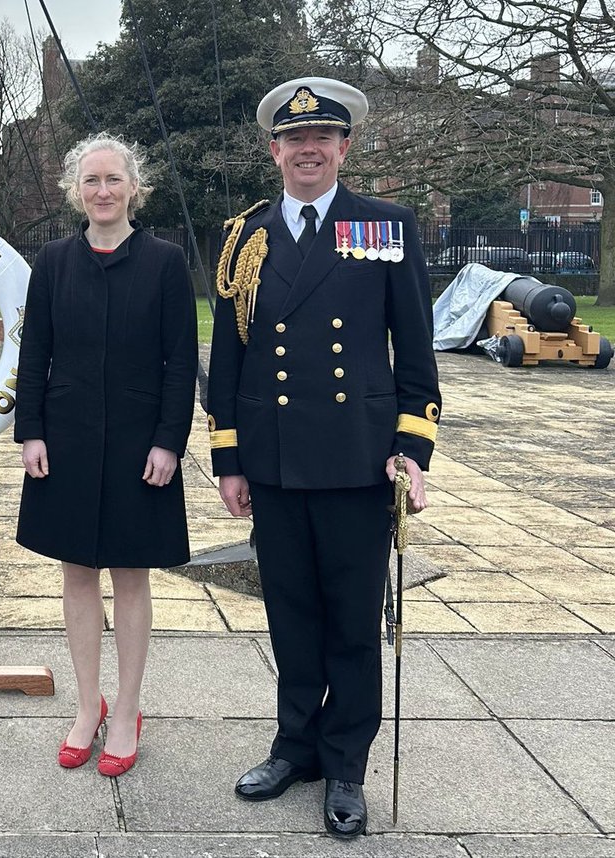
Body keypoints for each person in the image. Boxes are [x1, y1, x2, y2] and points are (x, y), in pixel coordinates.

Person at [206, 77, 441, 838]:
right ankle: (294, 747)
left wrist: (413, 450)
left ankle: (345, 764)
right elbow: (230, 355)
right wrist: (228, 459)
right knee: (291, 613)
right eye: (294, 140)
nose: (308, 150)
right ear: (274, 150)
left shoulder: (385, 225)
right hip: (272, 459)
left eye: (323, 139)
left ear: (344, 147)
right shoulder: (244, 235)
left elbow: (414, 350)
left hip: (355, 457)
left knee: (350, 619)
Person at [15, 132, 198, 777]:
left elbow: (183, 363)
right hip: (64, 439)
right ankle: (87, 706)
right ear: (75, 190)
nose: (102, 191)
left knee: (130, 574)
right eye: (91, 181)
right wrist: (30, 431)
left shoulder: (165, 262)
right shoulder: (54, 262)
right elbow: (34, 352)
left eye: (113, 180)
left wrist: (168, 441)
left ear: (133, 187)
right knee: (76, 572)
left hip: (138, 443)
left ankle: (126, 710)